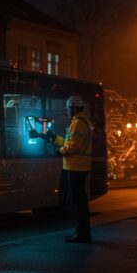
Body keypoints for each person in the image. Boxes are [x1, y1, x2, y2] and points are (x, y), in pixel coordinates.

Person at [46, 95, 93, 243]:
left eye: (68, 109)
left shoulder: (77, 123)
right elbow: (68, 142)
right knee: (80, 201)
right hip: (79, 166)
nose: (67, 112)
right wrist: (54, 138)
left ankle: (82, 234)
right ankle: (82, 232)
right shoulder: (82, 122)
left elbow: (71, 147)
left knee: (79, 203)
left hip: (76, 167)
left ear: (74, 108)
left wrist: (59, 151)